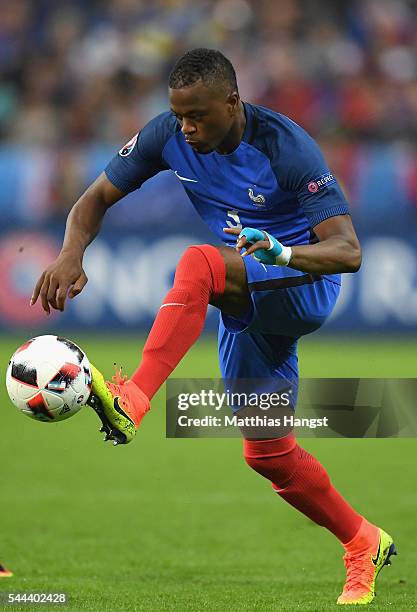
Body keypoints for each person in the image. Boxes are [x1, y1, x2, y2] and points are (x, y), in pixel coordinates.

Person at [31, 48, 396, 605]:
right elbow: (93, 199)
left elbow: (348, 252)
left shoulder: (285, 146)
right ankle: (362, 541)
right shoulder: (167, 135)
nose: (187, 127)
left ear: (233, 102)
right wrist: (69, 253)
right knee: (267, 453)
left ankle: (134, 400)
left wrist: (282, 251)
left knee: (198, 263)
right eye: (179, 115)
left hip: (302, 284)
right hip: (246, 303)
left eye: (198, 115)